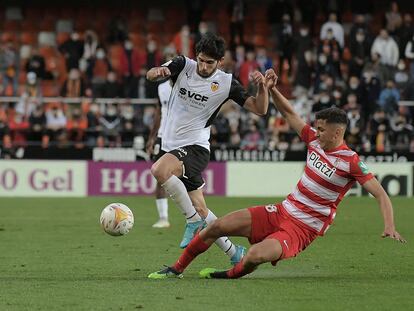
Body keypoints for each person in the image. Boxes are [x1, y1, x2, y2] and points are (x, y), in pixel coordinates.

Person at [148, 69, 406, 279]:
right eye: (316, 127)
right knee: (217, 226)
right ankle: (176, 268)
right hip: (281, 211)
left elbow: (381, 194)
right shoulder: (314, 141)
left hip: (302, 230)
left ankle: (229, 274)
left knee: (254, 256)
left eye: (321, 129)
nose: (316, 131)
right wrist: (271, 89)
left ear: (337, 133)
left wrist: (389, 226)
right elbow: (289, 113)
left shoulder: (350, 162)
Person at [146, 33, 270, 265]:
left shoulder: (226, 83)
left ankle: (191, 221)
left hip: (195, 147)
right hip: (170, 145)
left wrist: (262, 88)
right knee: (202, 208)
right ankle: (235, 253)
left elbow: (260, 109)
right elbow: (151, 74)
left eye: (209, 62)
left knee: (159, 170)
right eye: (201, 60)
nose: (203, 66)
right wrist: (158, 72)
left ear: (220, 61)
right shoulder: (183, 65)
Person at [146, 78, 173, 228]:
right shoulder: (161, 88)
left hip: (182, 137)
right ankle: (163, 218)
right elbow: (159, 112)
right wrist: (152, 137)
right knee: (160, 176)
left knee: (189, 180)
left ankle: (197, 217)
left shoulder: (189, 85)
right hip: (163, 137)